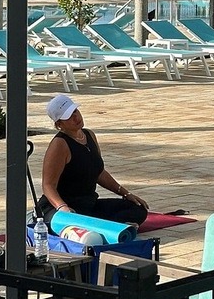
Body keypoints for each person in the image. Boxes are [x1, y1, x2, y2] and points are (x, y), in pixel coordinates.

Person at [38, 94, 149, 231]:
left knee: (137, 209)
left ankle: (103, 227)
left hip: (88, 204)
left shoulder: (89, 135)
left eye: (75, 111)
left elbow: (98, 172)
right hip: (59, 207)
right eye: (69, 116)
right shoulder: (59, 144)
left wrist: (126, 193)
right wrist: (62, 207)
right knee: (73, 223)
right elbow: (48, 185)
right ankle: (105, 227)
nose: (76, 117)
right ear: (59, 124)